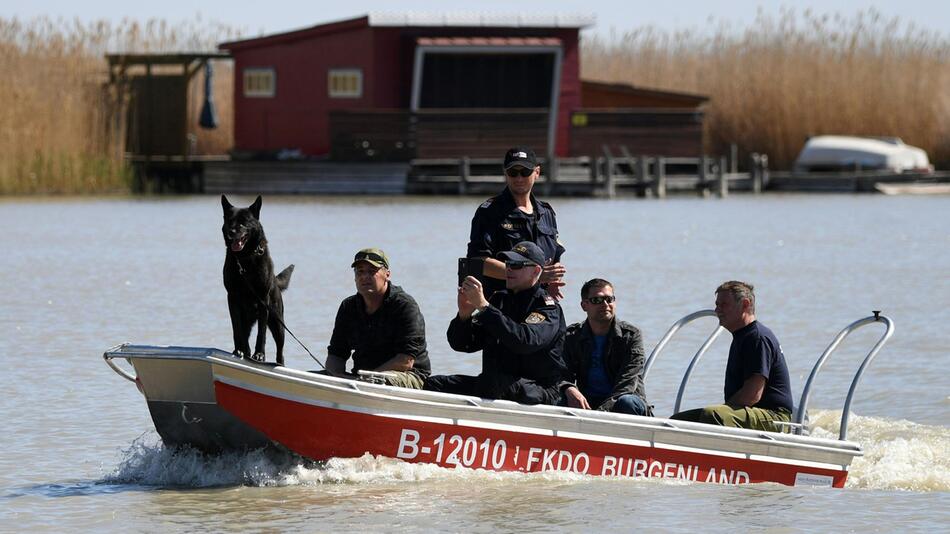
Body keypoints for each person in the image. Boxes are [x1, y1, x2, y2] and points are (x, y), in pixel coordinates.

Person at [425, 241, 567, 405]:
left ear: (536, 270)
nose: (509, 269)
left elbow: (524, 341)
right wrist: (464, 315)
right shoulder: (500, 300)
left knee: (491, 383)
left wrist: (484, 307)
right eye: (508, 264)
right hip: (496, 385)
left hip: (539, 390)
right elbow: (463, 345)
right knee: (435, 385)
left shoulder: (547, 308)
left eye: (516, 265)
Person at [670, 281, 793, 431]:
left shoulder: (757, 338)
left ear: (745, 304)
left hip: (774, 418)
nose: (717, 310)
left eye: (724, 305)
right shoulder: (742, 336)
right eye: (717, 304)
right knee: (677, 422)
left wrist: (724, 410)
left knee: (712, 415)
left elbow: (752, 395)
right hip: (753, 413)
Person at [466, 147, 567, 299]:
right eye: (513, 172)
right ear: (505, 174)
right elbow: (478, 262)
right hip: (502, 304)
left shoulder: (546, 212)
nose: (519, 178)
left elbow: (554, 257)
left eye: (525, 172)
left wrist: (553, 280)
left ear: (537, 173)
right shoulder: (489, 211)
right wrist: (534, 275)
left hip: (541, 304)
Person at [326, 248, 431, 388]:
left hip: (407, 375)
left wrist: (366, 380)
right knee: (316, 378)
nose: (365, 276)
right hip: (361, 378)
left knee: (378, 381)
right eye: (360, 271)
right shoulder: (348, 307)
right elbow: (336, 354)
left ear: (387, 274)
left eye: (372, 271)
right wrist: (337, 377)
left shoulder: (405, 306)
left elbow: (405, 361)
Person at [558, 278, 652, 416]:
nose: (605, 304)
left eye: (609, 299)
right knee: (556, 399)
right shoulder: (572, 336)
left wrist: (599, 413)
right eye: (597, 300)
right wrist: (569, 388)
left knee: (626, 402)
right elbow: (560, 372)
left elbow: (627, 385)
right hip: (588, 401)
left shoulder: (631, 336)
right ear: (584, 305)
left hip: (623, 399)